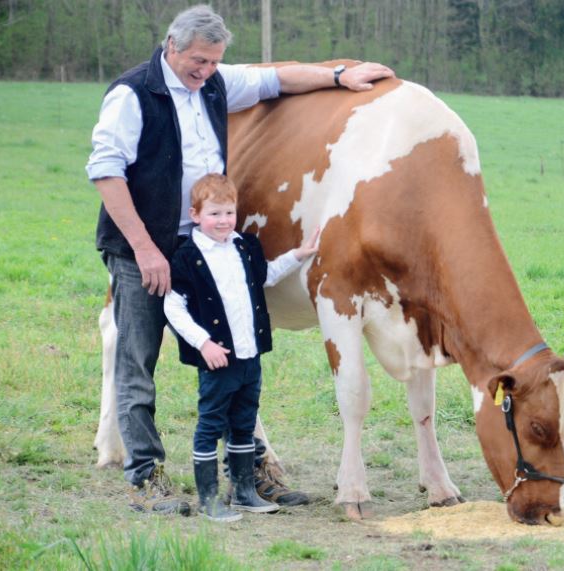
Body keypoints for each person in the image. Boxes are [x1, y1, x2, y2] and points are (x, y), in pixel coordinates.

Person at [86, 4, 394, 515]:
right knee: (138, 359)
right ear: (171, 45)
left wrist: (338, 75)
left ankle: (247, 473)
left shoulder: (214, 82)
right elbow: (105, 171)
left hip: (205, 246)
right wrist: (144, 249)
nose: (206, 72)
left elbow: (274, 81)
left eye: (213, 63)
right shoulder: (131, 93)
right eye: (198, 62)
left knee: (231, 358)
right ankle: (145, 477)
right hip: (144, 244)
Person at [163, 174, 318, 522]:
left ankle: (245, 492)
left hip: (250, 358)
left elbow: (266, 276)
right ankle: (208, 498)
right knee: (210, 424)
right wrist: (204, 344)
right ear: (196, 214)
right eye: (215, 214)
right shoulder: (188, 257)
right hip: (218, 361)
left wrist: (299, 254)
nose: (223, 221)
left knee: (244, 424)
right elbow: (173, 307)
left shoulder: (245, 247)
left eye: (229, 213)